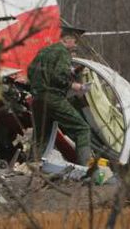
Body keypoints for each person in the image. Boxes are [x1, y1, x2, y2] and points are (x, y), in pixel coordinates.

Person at [28, 24, 92, 165]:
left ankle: (32, 168)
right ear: (67, 39)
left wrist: (73, 73)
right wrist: (75, 85)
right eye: (75, 41)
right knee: (82, 129)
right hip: (53, 98)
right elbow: (58, 76)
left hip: (37, 99)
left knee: (41, 137)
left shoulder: (44, 51)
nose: (75, 45)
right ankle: (87, 169)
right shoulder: (63, 52)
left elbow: (31, 72)